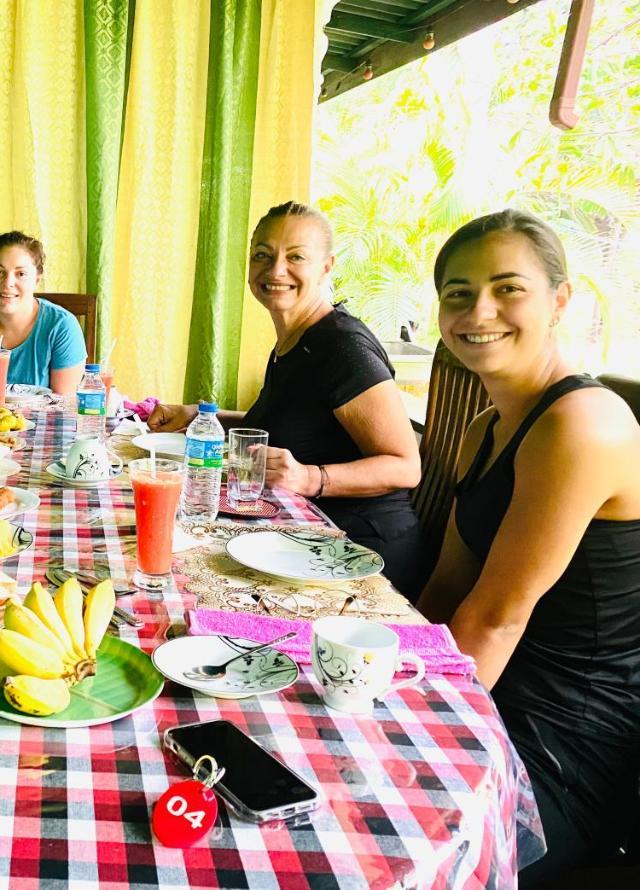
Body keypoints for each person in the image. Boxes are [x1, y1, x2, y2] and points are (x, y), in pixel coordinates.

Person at [414, 210, 640, 882]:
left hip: (564, 744)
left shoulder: (583, 424)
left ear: (560, 300)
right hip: (493, 690)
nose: (479, 309)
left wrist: (403, 730)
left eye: (508, 287)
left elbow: (495, 618)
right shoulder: (484, 426)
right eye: (457, 293)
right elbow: (445, 592)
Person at [149, 202, 425, 594]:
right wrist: (198, 415)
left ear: (326, 266)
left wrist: (311, 477)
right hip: (299, 533)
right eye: (263, 255)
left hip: (361, 548)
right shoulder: (294, 340)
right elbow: (285, 424)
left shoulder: (343, 348)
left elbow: (404, 466)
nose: (276, 270)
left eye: (296, 257)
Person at [0, 231, 87, 395]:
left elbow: (63, 408)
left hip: (46, 420)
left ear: (36, 280)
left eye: (21, 274)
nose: (8, 283)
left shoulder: (63, 327)